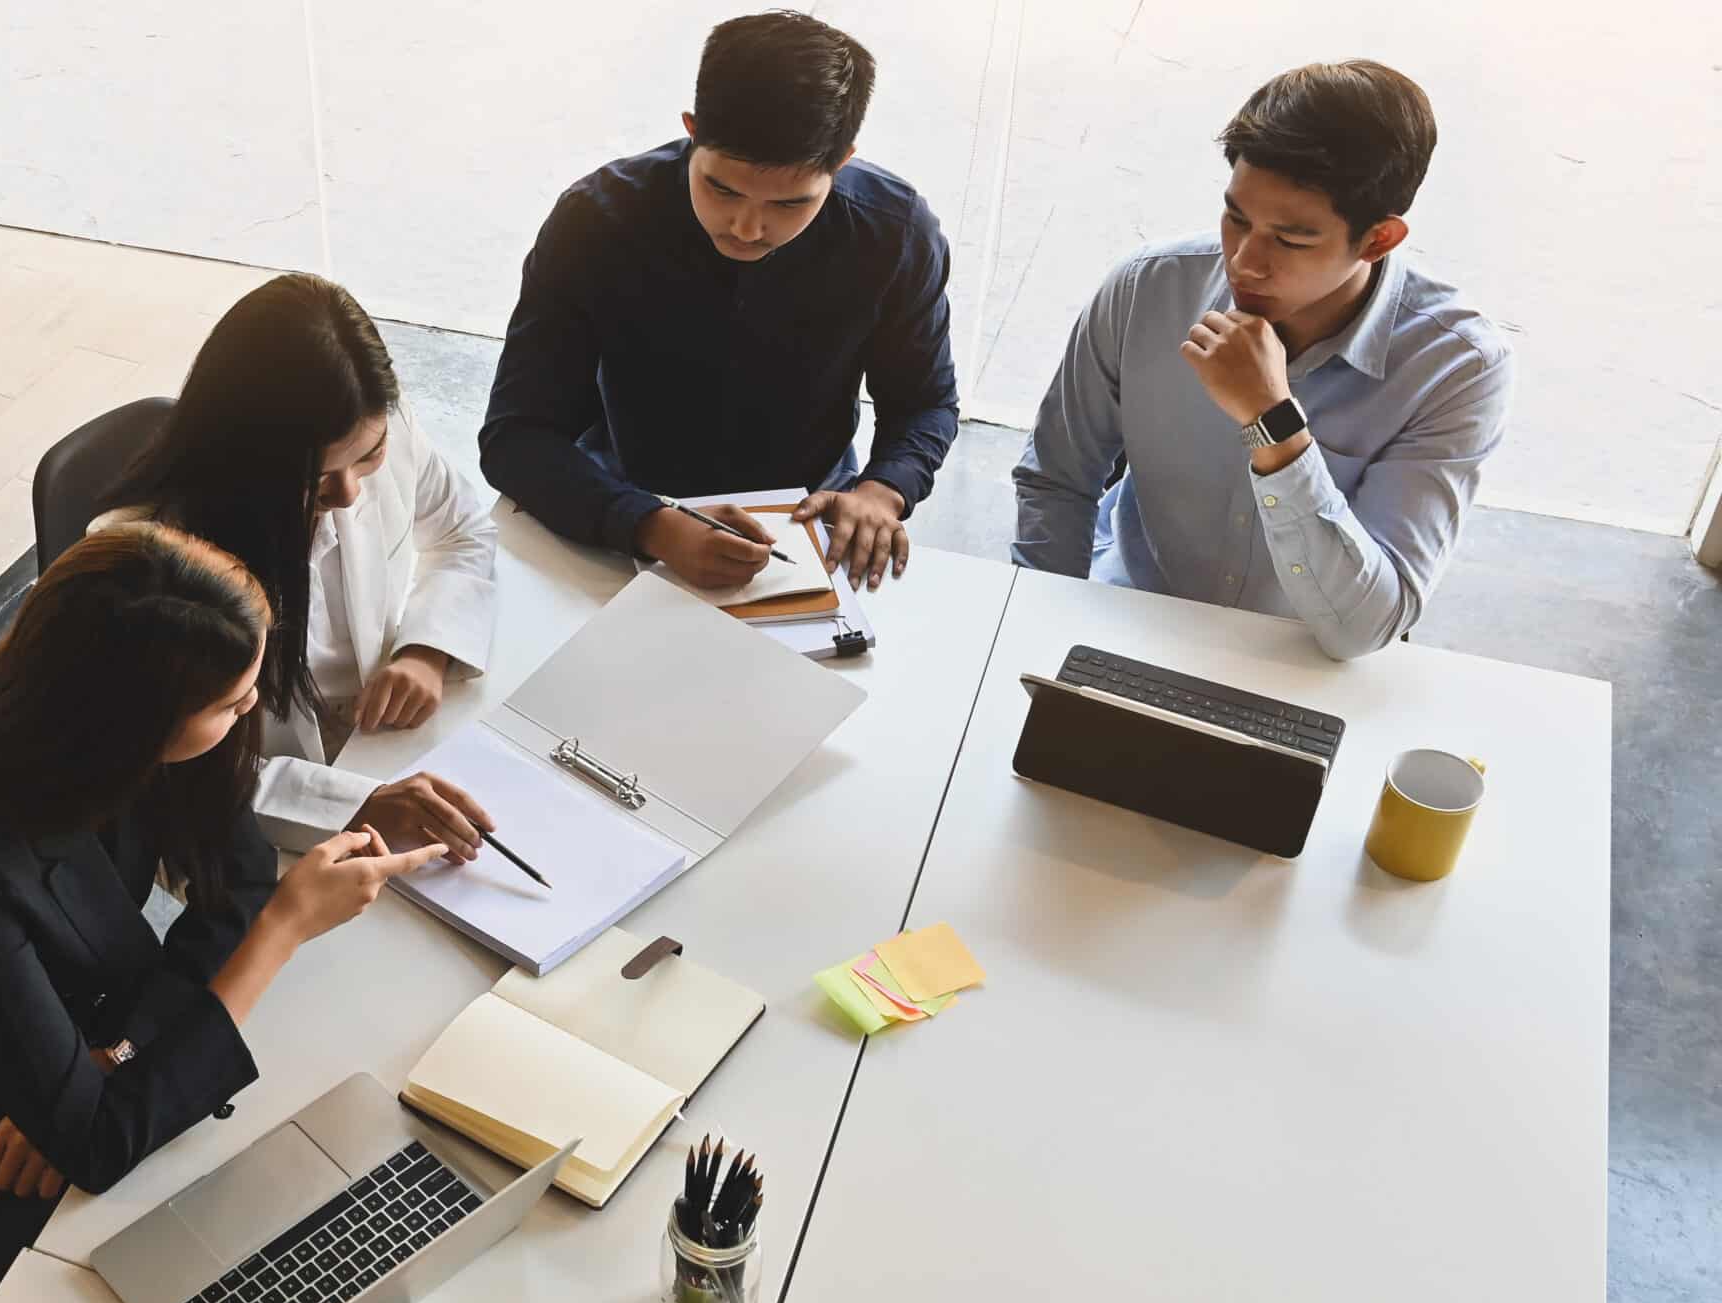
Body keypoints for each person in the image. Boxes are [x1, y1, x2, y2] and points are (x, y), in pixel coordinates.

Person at [0, 523, 445, 1303]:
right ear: (134, 723)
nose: (253, 707)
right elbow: (97, 1144)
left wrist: (120, 1048)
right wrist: (283, 932)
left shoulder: (130, 737)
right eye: (230, 703)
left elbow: (242, 877)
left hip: (67, 1055)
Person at [1010, 60, 1513, 660]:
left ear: (1379, 239)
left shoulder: (1456, 367)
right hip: (1129, 622)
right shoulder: (1148, 288)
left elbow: (1367, 625)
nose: (1245, 262)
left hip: (1305, 666)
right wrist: (1052, 635)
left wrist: (1272, 422)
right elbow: (1057, 480)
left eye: (1292, 240)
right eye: (1236, 218)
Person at [481, 8, 958, 593]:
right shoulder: (597, 219)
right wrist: (650, 523)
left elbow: (925, 403)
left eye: (790, 204)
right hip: (614, 502)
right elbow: (517, 433)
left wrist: (882, 491)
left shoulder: (895, 232)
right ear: (691, 128)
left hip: (804, 523)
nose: (747, 227)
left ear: (842, 162)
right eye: (721, 188)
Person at [107, 273, 504, 859]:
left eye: (369, 457)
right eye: (316, 477)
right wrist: (353, 804)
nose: (347, 493)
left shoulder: (378, 425)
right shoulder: (154, 558)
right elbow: (174, 764)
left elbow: (464, 530)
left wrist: (428, 649)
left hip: (382, 740)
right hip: (258, 813)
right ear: (244, 455)